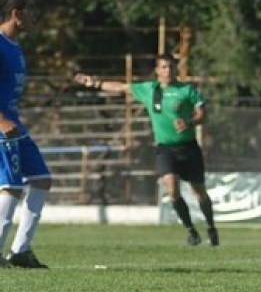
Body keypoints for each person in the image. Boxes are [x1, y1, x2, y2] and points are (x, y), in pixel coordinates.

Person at [74, 54, 219, 247]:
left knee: (199, 192)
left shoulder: (187, 90)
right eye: (164, 67)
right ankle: (191, 231)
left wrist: (190, 122)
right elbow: (122, 87)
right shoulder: (149, 89)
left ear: (176, 69)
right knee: (172, 190)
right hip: (165, 148)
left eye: (171, 67)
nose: (168, 71)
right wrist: (95, 83)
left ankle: (210, 227)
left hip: (189, 147)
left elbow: (203, 114)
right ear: (157, 71)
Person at [0, 0, 52, 269]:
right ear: (16, 14)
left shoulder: (15, 45)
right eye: (31, 12)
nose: (35, 17)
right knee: (10, 186)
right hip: (2, 125)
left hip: (14, 123)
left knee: (41, 179)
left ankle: (20, 252)